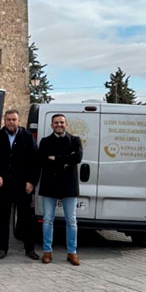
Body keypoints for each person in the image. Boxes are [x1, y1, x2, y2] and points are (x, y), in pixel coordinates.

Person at [0, 109, 40, 260]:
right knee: (2, 218)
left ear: (18, 121)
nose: (11, 122)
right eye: (8, 119)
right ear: (4, 120)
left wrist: (31, 181)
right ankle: (2, 248)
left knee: (26, 219)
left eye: (14, 119)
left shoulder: (27, 137)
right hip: (3, 186)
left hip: (23, 186)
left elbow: (35, 161)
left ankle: (30, 249)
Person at [37, 113, 83, 266]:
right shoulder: (45, 141)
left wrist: (56, 158)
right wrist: (65, 160)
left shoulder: (75, 140)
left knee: (72, 221)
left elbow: (77, 158)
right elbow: (43, 161)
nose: (59, 125)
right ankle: (47, 251)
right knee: (48, 219)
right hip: (49, 185)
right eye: (56, 122)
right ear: (52, 125)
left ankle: (72, 253)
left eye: (62, 122)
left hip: (69, 185)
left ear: (66, 124)